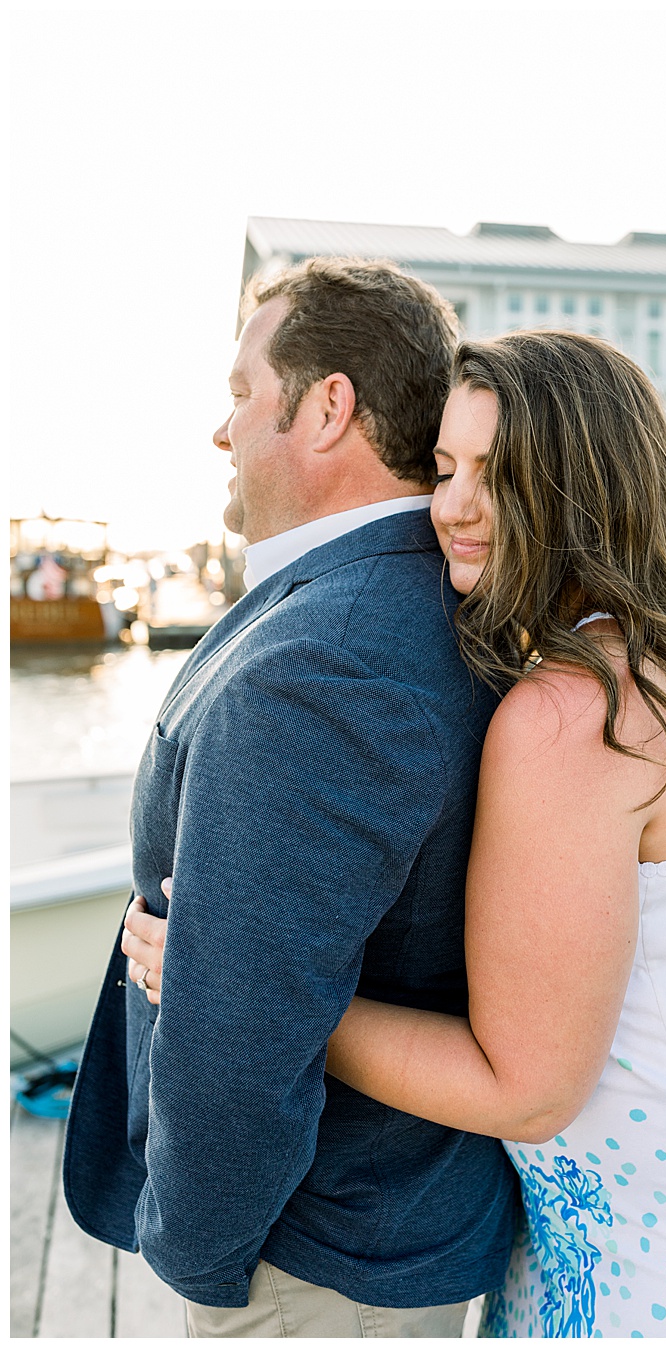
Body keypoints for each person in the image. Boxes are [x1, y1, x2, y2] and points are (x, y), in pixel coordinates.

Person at [123, 328, 666, 1338]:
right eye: (446, 469)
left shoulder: (570, 714)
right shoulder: (640, 662)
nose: (455, 506)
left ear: (590, 490)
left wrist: (238, 981)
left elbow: (524, 1092)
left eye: (502, 473)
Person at [63, 257, 519, 1336]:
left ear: (328, 408)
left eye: (240, 393)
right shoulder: (377, 599)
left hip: (309, 1264)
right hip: (347, 1241)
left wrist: (196, 1257)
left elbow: (245, 1028)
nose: (221, 431)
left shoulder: (330, 656)